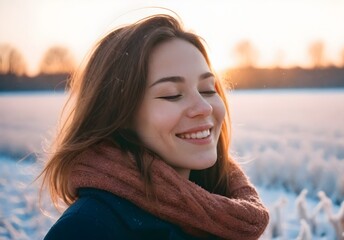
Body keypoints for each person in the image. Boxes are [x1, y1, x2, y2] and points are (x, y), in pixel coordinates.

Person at [40, 14, 269, 240]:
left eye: (208, 89)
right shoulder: (86, 230)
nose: (204, 107)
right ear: (120, 115)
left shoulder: (224, 214)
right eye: (172, 95)